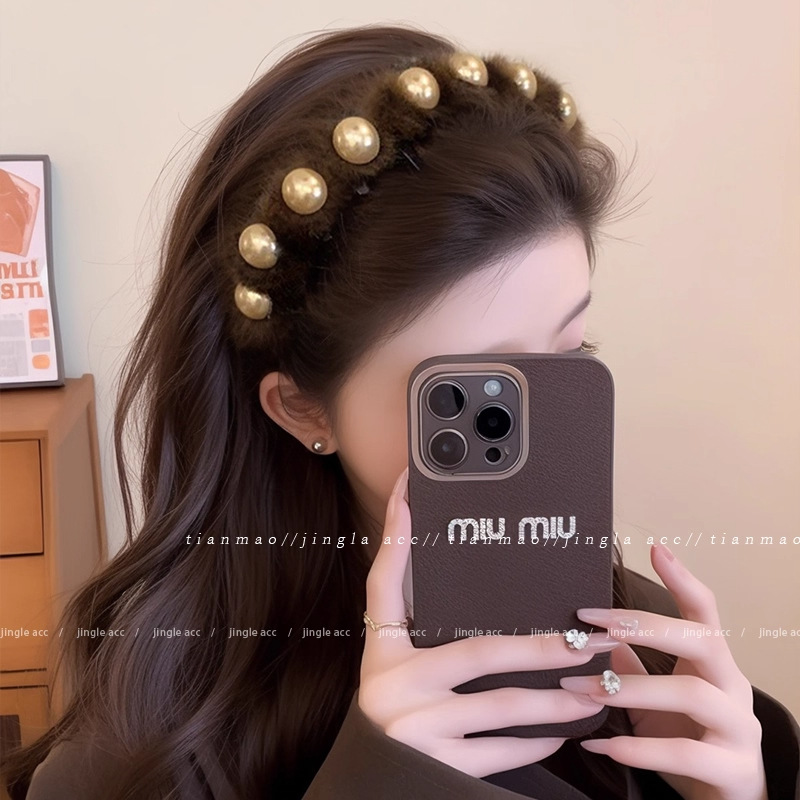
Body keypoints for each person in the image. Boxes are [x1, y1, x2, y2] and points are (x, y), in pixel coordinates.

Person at [2, 23, 798, 800]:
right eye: (476, 399)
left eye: (568, 355)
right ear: (303, 409)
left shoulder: (636, 644)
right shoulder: (144, 753)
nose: (542, 435)